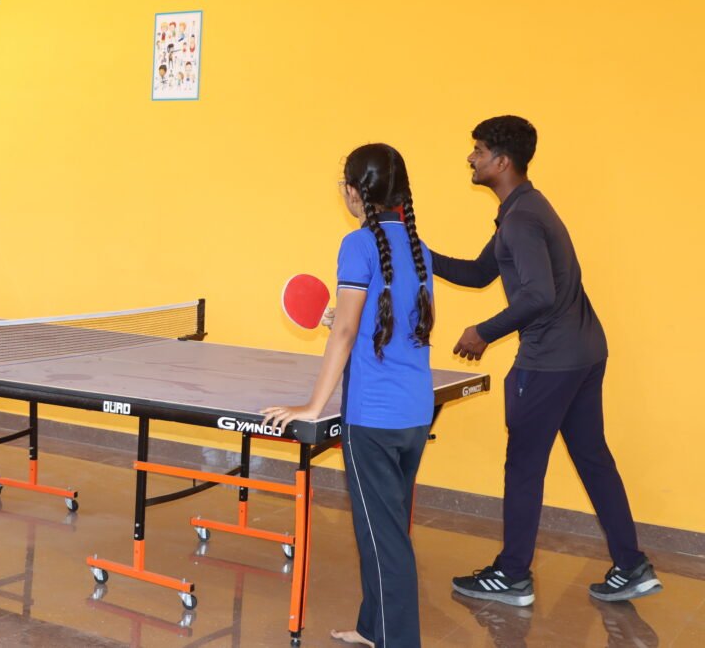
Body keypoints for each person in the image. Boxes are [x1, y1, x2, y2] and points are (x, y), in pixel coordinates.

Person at [436, 116, 661, 606]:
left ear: (502, 161)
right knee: (593, 457)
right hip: (584, 352)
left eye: (478, 150)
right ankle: (631, 564)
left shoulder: (521, 220)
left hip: (549, 361)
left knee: (523, 466)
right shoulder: (525, 209)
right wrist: (418, 253)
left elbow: (539, 295)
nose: (471, 158)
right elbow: (478, 273)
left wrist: (483, 332)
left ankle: (512, 574)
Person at [263, 143, 435, 648]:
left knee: (384, 544)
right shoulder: (419, 248)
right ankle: (371, 628)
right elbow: (400, 325)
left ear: (355, 192)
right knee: (384, 531)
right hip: (414, 413)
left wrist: (313, 407)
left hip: (373, 420)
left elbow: (344, 334)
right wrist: (344, 320)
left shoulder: (357, 245)